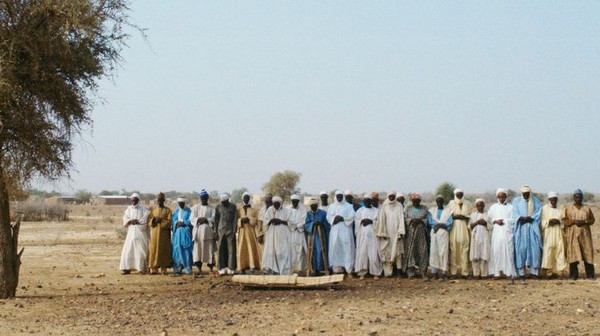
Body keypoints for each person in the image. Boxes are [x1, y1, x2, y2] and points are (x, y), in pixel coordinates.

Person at [563, 189, 596, 280]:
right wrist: (573, 221)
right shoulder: (569, 209)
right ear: (574, 198)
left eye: (580, 197)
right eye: (577, 197)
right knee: (573, 254)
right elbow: (565, 221)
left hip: (585, 234)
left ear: (582, 198)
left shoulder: (587, 209)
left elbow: (592, 220)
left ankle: (590, 275)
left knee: (587, 253)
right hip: (573, 234)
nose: (578, 199)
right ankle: (573, 275)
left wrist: (584, 221)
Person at [512, 185, 542, 280]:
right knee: (521, 249)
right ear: (521, 193)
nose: (526, 195)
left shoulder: (536, 201)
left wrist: (531, 218)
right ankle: (521, 273)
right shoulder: (516, 201)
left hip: (532, 227)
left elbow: (538, 213)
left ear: (530, 193)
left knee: (535, 249)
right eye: (524, 194)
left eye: (527, 194)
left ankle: (534, 273)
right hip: (521, 228)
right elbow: (515, 212)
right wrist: (521, 218)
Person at [487, 188, 516, 281]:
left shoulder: (511, 207)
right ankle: (497, 272)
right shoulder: (493, 207)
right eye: (500, 197)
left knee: (508, 251)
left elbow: (513, 219)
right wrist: (495, 221)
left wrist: (504, 221)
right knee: (496, 251)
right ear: (497, 197)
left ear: (506, 197)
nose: (501, 198)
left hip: (507, 233)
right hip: (497, 233)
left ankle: (509, 272)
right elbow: (489, 218)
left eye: (503, 197)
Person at [375, 191, 405, 278]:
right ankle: (389, 272)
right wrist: (382, 233)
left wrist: (400, 232)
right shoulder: (384, 206)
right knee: (387, 252)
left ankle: (399, 271)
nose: (391, 198)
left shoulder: (399, 205)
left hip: (396, 233)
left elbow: (401, 219)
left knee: (398, 252)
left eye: (393, 196)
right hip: (387, 234)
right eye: (390, 196)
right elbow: (381, 220)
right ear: (388, 196)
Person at [327, 190, 356, 276]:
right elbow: (328, 217)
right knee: (335, 248)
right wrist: (334, 219)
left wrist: (343, 218)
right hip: (335, 230)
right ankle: (336, 269)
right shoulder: (332, 206)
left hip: (345, 230)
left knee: (347, 249)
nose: (339, 198)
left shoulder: (349, 206)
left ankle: (349, 270)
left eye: (340, 196)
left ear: (343, 196)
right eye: (337, 196)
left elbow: (352, 217)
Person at [119, 193, 150, 275]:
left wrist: (137, 222)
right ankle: (127, 268)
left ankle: (140, 269)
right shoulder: (128, 209)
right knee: (128, 250)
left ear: (138, 200)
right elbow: (125, 219)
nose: (134, 201)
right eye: (133, 199)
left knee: (140, 251)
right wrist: (130, 221)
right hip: (131, 233)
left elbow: (146, 220)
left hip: (140, 233)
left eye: (135, 199)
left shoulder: (144, 210)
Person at [261, 196, 292, 275]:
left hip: (282, 234)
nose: (276, 206)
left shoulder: (286, 211)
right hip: (272, 234)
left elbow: (290, 223)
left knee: (282, 252)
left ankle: (283, 272)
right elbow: (265, 222)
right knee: (271, 252)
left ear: (281, 204)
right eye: (274, 204)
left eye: (278, 204)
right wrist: (271, 221)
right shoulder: (270, 210)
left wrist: (280, 221)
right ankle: (272, 271)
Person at [402, 194, 430, 280]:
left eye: (417, 201)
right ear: (412, 201)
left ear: (420, 201)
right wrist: (412, 220)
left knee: (422, 252)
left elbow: (428, 220)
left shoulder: (425, 208)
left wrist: (420, 220)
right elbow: (405, 219)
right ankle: (410, 272)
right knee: (410, 252)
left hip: (421, 234)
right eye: (414, 201)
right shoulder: (408, 208)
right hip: (410, 234)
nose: (415, 202)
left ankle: (423, 273)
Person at [355, 194, 382, 279]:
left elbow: (379, 222)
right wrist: (362, 221)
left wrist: (371, 221)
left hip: (373, 235)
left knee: (373, 255)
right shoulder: (360, 211)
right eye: (365, 200)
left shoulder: (376, 211)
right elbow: (356, 221)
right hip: (362, 235)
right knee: (362, 254)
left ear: (371, 201)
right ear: (363, 201)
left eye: (368, 200)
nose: (367, 202)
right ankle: (362, 273)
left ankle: (375, 273)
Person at [540, 191, 567, 278]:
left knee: (559, 250)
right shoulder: (544, 208)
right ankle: (547, 272)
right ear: (549, 199)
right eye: (551, 200)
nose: (553, 201)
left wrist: (558, 221)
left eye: (555, 200)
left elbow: (564, 220)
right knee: (548, 251)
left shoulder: (561, 208)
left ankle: (558, 272)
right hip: (548, 232)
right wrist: (549, 221)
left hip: (558, 232)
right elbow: (541, 221)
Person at [447, 188, 472, 278]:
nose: (459, 195)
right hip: (454, 228)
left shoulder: (468, 203)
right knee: (453, 250)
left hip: (464, 228)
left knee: (465, 250)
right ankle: (453, 272)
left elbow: (471, 216)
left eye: (461, 194)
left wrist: (464, 217)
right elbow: (448, 216)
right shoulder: (451, 203)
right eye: (458, 194)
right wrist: (455, 216)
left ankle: (464, 272)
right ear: (455, 194)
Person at [191, 189, 216, 276]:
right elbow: (192, 219)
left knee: (209, 250)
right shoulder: (195, 207)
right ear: (200, 199)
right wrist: (199, 219)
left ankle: (211, 268)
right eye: (202, 198)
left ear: (207, 198)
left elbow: (213, 218)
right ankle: (199, 268)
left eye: (205, 198)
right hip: (198, 233)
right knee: (198, 251)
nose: (204, 200)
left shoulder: (212, 208)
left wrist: (206, 219)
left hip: (208, 233)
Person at [428, 195, 453, 280]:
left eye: (441, 201)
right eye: (438, 201)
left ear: (443, 202)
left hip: (444, 232)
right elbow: (430, 221)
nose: (439, 203)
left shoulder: (448, 211)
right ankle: (434, 273)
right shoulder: (432, 211)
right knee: (434, 252)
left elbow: (450, 222)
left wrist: (441, 225)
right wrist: (437, 225)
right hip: (434, 232)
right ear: (436, 202)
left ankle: (444, 272)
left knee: (443, 252)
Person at [236, 191, 261, 274]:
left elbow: (256, 221)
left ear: (249, 199)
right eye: (244, 198)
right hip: (242, 231)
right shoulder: (238, 210)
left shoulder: (254, 210)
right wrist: (241, 220)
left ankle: (252, 266)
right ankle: (242, 267)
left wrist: (249, 219)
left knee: (251, 248)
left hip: (251, 231)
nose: (246, 199)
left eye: (247, 198)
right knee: (241, 249)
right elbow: (235, 221)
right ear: (242, 199)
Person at [147, 192, 172, 275]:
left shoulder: (168, 210)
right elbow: (149, 221)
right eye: (158, 200)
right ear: (156, 201)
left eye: (161, 200)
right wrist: (154, 220)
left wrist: (161, 220)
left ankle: (163, 269)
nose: (160, 202)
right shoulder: (153, 210)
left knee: (163, 250)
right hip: (154, 233)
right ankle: (154, 269)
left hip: (164, 234)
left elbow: (169, 222)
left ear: (164, 200)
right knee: (153, 249)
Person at [305, 198, 331, 276]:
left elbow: (327, 224)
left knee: (321, 250)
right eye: (312, 206)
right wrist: (313, 224)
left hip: (321, 235)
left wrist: (321, 224)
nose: (313, 207)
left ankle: (321, 268)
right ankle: (314, 268)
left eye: (315, 206)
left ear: (317, 205)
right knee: (313, 251)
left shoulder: (323, 213)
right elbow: (306, 225)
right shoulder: (308, 214)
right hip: (312, 235)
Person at [215, 193, 237, 275]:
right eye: (222, 202)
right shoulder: (218, 207)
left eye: (224, 202)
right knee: (221, 249)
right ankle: (221, 268)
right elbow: (216, 220)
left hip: (230, 230)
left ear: (228, 200)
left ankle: (231, 268)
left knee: (231, 249)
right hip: (220, 231)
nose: (223, 203)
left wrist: (234, 230)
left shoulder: (233, 206)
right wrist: (215, 232)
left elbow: (235, 219)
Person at [468, 198, 491, 279]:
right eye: (478, 206)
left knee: (484, 256)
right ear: (476, 206)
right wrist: (477, 222)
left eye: (481, 206)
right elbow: (469, 226)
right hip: (475, 238)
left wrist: (485, 223)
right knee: (475, 257)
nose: (480, 207)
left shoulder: (488, 214)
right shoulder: (473, 215)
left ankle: (484, 274)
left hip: (485, 237)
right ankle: (476, 274)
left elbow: (491, 226)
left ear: (484, 206)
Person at [171, 197, 193, 276]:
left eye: (182, 203)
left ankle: (188, 268)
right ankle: (178, 268)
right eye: (179, 203)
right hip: (177, 233)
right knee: (177, 249)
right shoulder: (177, 210)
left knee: (186, 249)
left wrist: (184, 223)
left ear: (185, 203)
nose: (180, 205)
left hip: (185, 232)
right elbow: (173, 220)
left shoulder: (189, 211)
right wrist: (177, 223)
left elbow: (191, 220)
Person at [288, 194, 308, 275]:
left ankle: (299, 269)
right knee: (291, 250)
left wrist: (297, 226)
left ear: (298, 202)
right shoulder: (287, 209)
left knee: (300, 251)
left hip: (299, 232)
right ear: (291, 201)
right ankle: (291, 269)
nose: (294, 203)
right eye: (293, 201)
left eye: (296, 202)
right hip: (290, 232)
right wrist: (292, 226)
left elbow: (304, 220)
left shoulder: (303, 209)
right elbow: (286, 219)